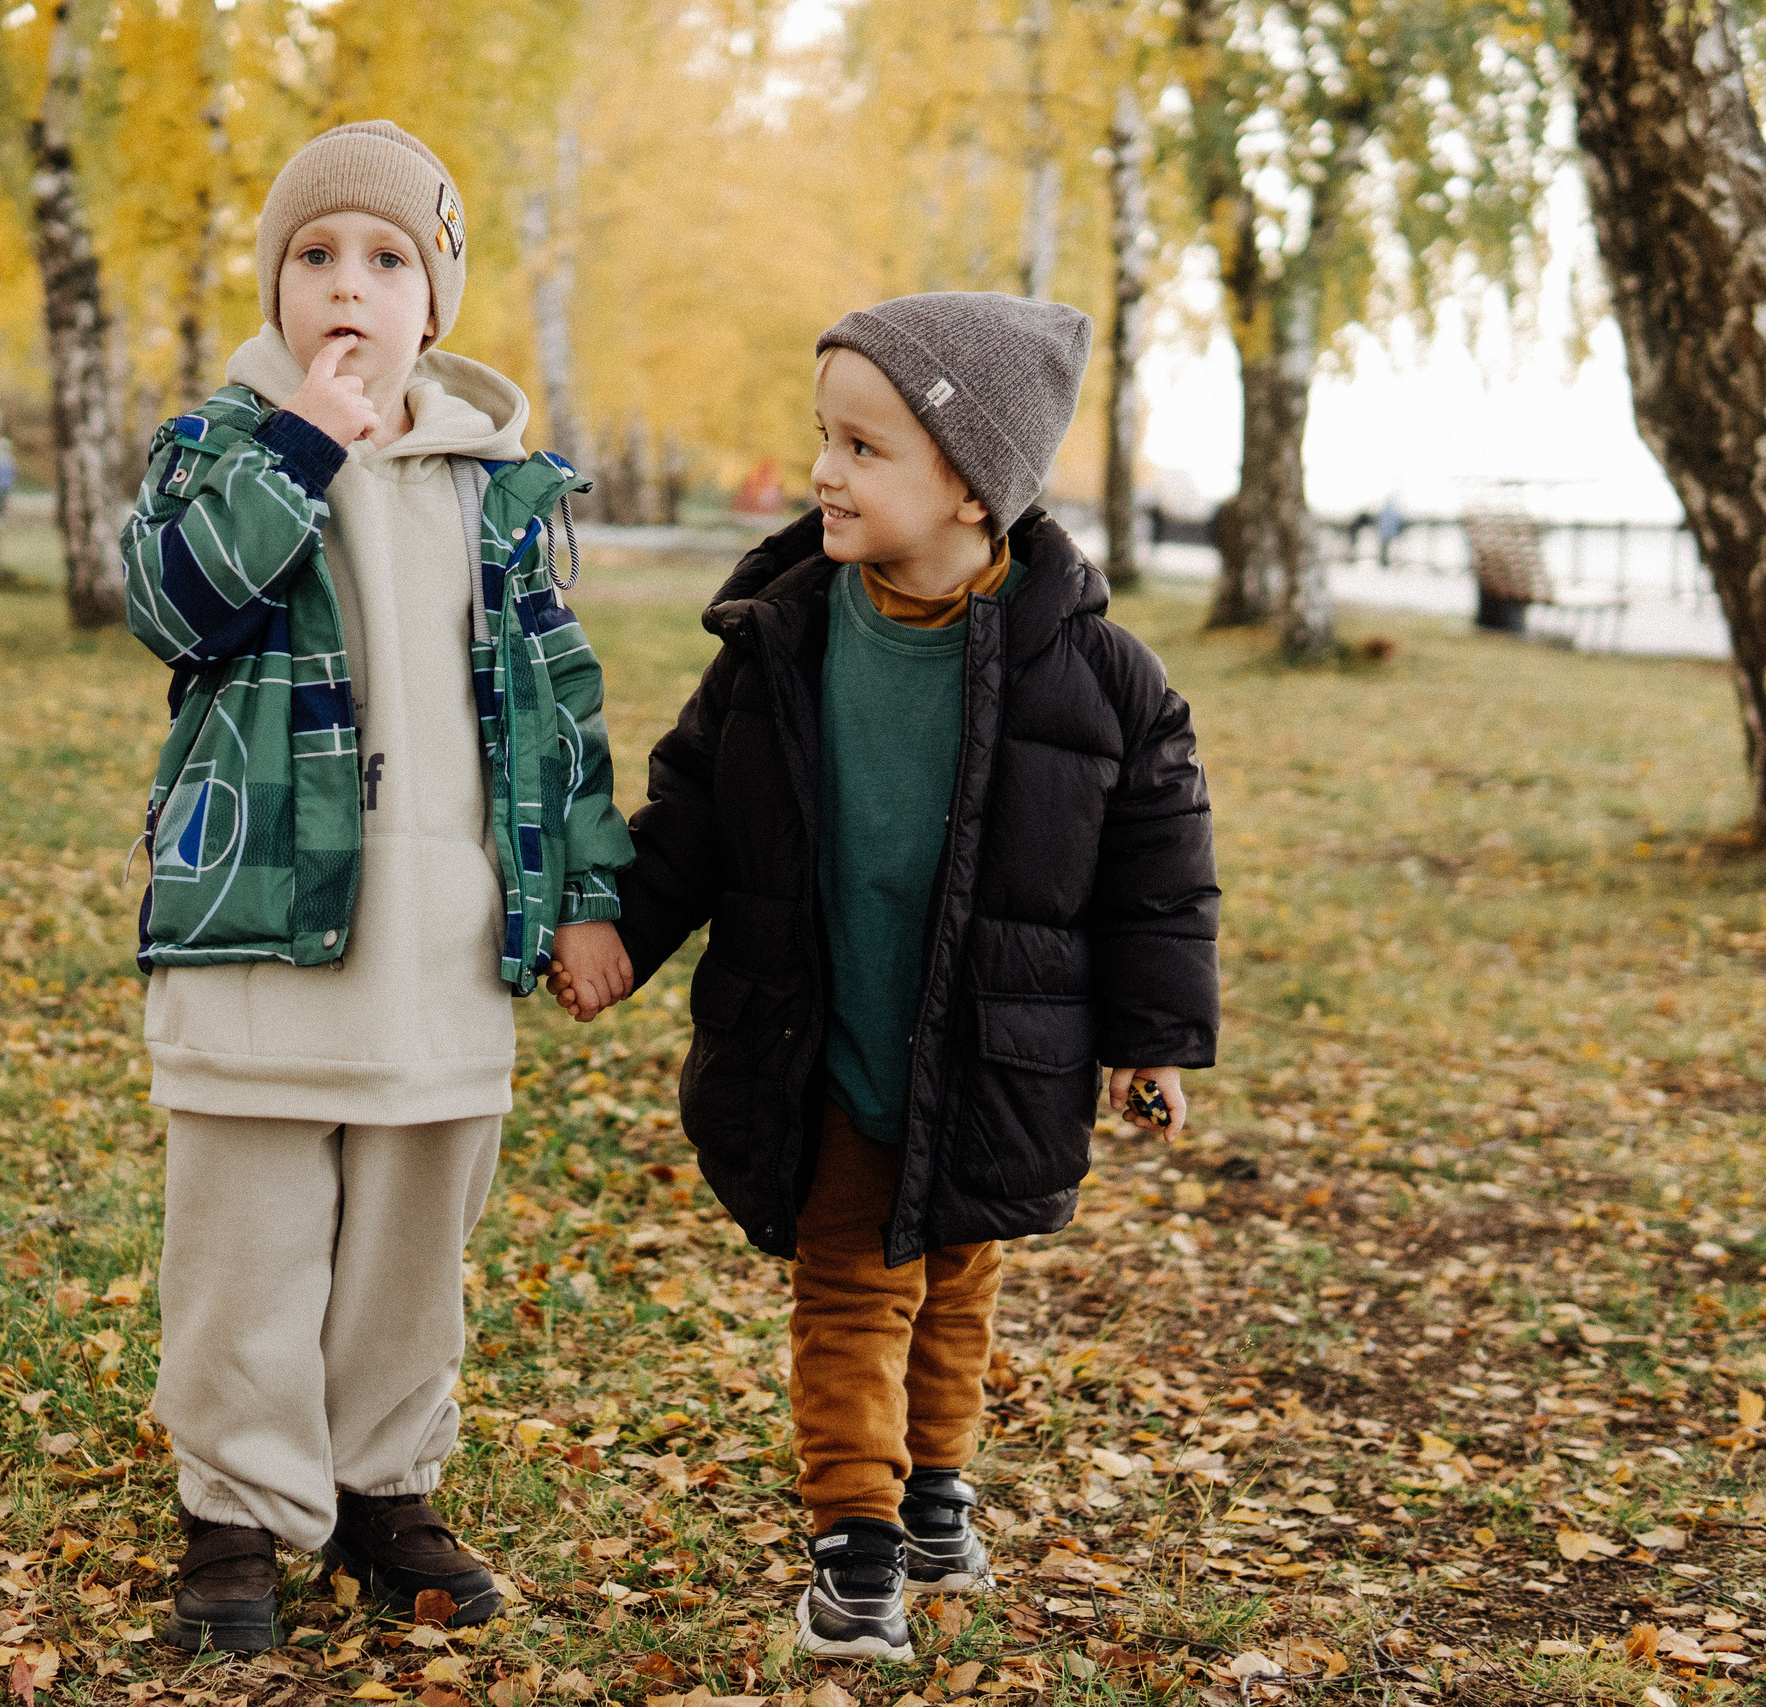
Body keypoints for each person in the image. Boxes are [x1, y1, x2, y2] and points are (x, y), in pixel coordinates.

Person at [563, 293, 1220, 1661]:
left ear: (974, 488)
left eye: (864, 448)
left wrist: (1153, 1038)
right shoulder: (783, 634)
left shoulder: (1102, 679)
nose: (823, 471)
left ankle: (932, 1485)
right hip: (823, 1034)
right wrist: (618, 929)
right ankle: (857, 1542)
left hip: (992, 1049)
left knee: (957, 1273)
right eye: (824, 437)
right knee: (853, 1284)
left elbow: (1157, 875)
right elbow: (694, 809)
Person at [115, 120, 635, 1654]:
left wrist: (585, 893)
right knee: (249, 1231)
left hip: (441, 930)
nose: (349, 286)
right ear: (275, 288)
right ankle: (236, 1504)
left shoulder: (499, 490)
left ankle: (381, 1482)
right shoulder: (222, 450)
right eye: (315, 255)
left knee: (415, 1228)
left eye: (389, 259)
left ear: (436, 301)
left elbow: (559, 707)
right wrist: (300, 451)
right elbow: (172, 604)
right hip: (262, 918)